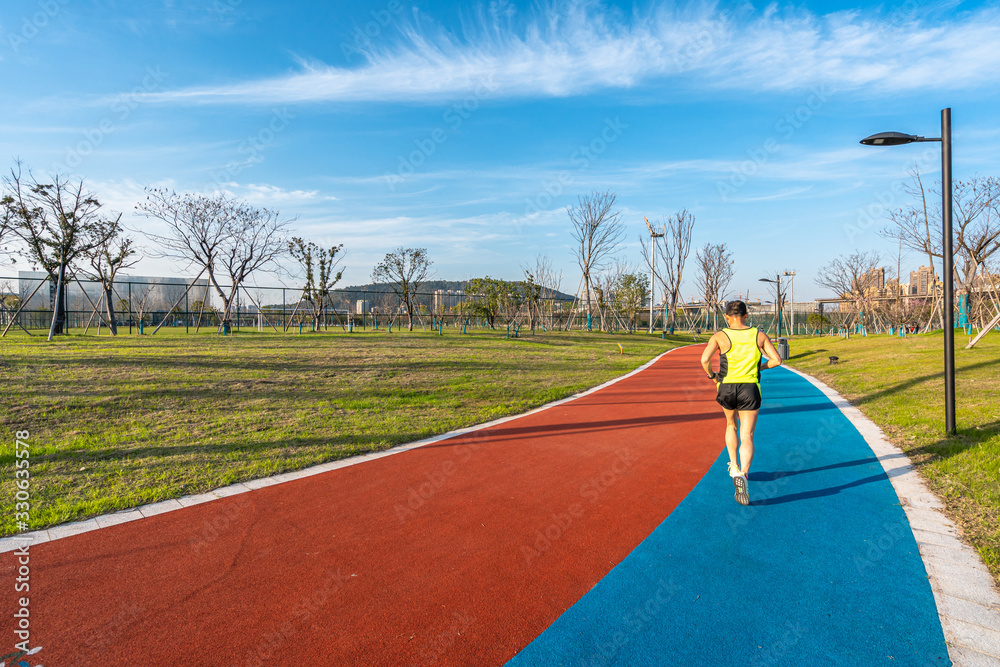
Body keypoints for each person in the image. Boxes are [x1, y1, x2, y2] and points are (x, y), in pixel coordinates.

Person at [699, 300, 782, 505]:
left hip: (727, 387)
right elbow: (777, 360)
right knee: (747, 434)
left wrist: (712, 377)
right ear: (746, 315)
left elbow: (704, 360)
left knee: (730, 425)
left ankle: (734, 467)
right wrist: (759, 368)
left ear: (726, 317)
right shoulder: (758, 335)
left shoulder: (720, 336)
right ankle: (743, 474)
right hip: (750, 388)